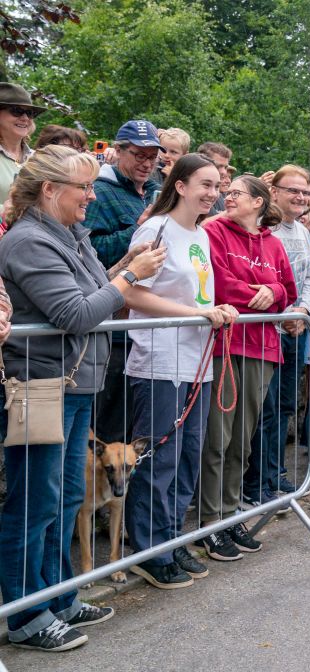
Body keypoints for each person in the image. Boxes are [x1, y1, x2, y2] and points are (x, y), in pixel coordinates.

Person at [0, 145, 166, 652]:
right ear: (50, 190)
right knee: (34, 502)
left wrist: (125, 267)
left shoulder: (69, 234)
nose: (93, 197)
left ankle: (58, 596)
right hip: (44, 387)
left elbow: (98, 292)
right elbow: (76, 312)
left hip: (73, 387)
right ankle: (28, 615)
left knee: (64, 497)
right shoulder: (30, 241)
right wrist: (131, 275)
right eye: (84, 188)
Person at [122, 154, 238, 590]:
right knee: (161, 458)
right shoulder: (155, 229)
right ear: (181, 185)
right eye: (204, 184)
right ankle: (149, 549)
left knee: (188, 455)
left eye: (217, 185)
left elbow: (200, 295)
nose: (212, 192)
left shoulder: (200, 235)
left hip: (198, 361)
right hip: (159, 362)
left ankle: (171, 538)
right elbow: (132, 293)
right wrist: (197, 314)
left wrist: (211, 312)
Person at [197, 175, 297, 562]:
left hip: (263, 348)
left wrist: (275, 294)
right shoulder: (215, 231)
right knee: (217, 438)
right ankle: (211, 521)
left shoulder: (272, 242)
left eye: (236, 193)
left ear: (257, 202)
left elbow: (287, 287)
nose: (227, 196)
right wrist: (262, 297)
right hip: (226, 345)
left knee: (243, 439)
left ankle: (231, 511)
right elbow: (219, 283)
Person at [83, 119, 165, 446]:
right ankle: (93, 494)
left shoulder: (156, 192)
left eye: (152, 157)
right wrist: (139, 229)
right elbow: (90, 253)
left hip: (145, 327)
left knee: (134, 426)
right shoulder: (99, 192)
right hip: (112, 328)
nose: (147, 163)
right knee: (106, 428)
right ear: (118, 151)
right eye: (139, 155)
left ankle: (122, 496)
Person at [242, 165, 310, 508]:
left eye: (307, 193)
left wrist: (301, 311)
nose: (301, 198)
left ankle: (275, 474)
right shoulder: (263, 231)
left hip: (296, 329)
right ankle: (257, 482)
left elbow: (308, 277)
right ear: (275, 191)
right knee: (266, 410)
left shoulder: (301, 231)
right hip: (269, 331)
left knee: (286, 406)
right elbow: (261, 281)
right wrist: (284, 314)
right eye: (294, 191)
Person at [0, 83, 44, 210]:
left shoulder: (38, 158)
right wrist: (6, 211)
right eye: (17, 111)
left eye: (29, 113)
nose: (25, 118)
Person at [196, 142, 232, 214]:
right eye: (218, 166)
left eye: (225, 167)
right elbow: (204, 224)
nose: (224, 172)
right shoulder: (194, 190)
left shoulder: (219, 193)